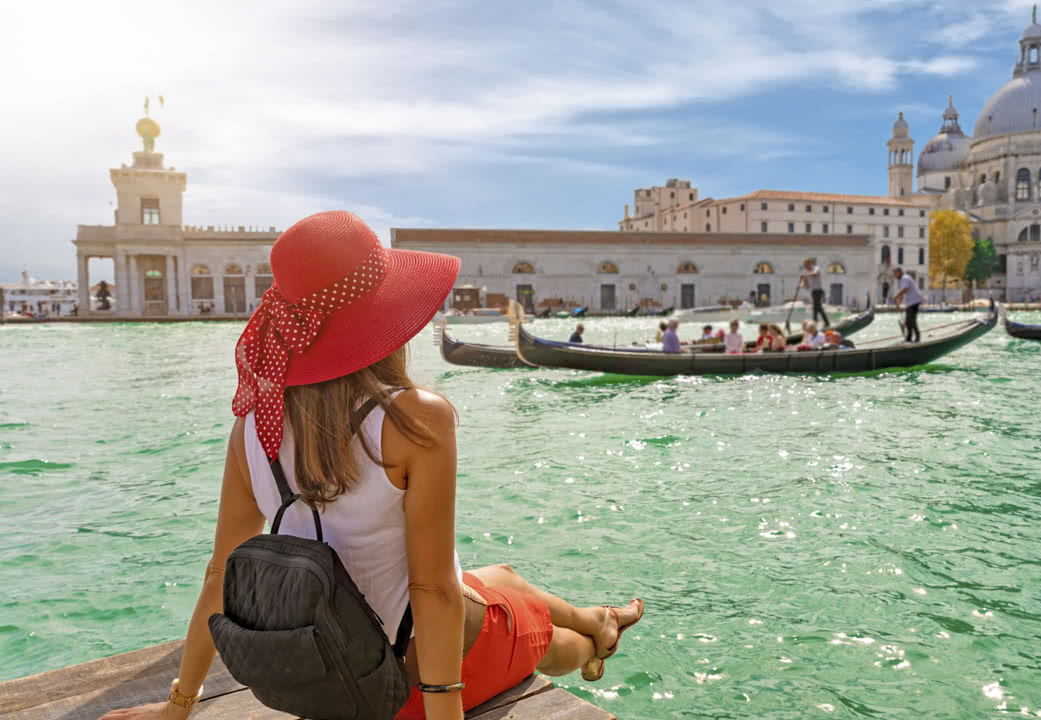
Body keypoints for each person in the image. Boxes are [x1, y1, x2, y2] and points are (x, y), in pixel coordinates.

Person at [96, 212, 643, 720]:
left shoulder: (252, 428)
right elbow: (432, 593)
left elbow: (219, 574)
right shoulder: (414, 420)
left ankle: (598, 616)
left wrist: (178, 705)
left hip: (329, 672)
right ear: (381, 318)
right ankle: (594, 640)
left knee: (504, 578)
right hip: (401, 688)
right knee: (544, 636)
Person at [892, 267, 923, 343]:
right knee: (908, 321)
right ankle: (909, 338)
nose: (894, 276)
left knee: (911, 320)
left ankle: (917, 337)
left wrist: (896, 296)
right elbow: (903, 292)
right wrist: (899, 303)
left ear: (899, 272)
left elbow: (905, 289)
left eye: (895, 274)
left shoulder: (904, 278)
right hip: (911, 302)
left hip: (914, 301)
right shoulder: (902, 280)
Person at [801, 258, 830, 329]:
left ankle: (816, 323)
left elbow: (815, 273)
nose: (805, 267)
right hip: (813, 291)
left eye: (806, 265)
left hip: (819, 291)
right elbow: (806, 285)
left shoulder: (816, 268)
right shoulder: (808, 273)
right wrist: (802, 284)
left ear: (809, 264)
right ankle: (820, 323)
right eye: (805, 266)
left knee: (816, 307)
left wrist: (806, 276)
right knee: (817, 308)